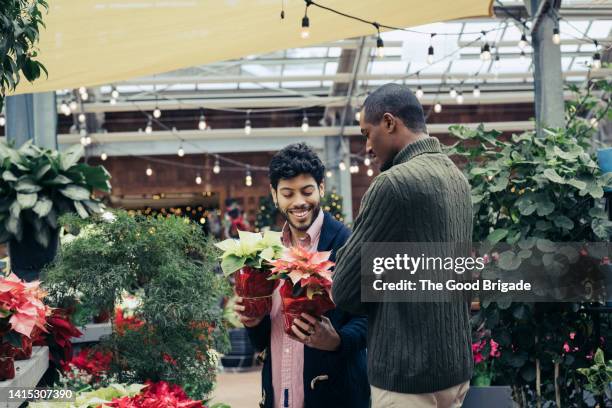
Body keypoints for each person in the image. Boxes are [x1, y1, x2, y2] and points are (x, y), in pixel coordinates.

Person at [332, 83, 474, 408]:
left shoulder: (393, 184)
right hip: (455, 369)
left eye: (367, 133)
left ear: (389, 122)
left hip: (407, 377)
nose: (367, 146)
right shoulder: (457, 179)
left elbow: (345, 291)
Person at [234, 143, 369, 408]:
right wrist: (252, 320)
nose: (298, 202)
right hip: (277, 394)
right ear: (275, 196)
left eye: (307, 191)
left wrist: (337, 341)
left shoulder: (348, 244)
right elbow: (264, 339)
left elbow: (371, 317)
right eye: (287, 193)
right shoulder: (267, 252)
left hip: (336, 396)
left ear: (320, 189)